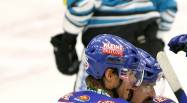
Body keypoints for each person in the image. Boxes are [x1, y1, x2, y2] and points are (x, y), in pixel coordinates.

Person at [50, 0, 178, 90]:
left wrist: (68, 37)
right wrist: (156, 37)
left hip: (107, 49)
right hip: (146, 45)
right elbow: (169, 7)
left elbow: (81, 6)